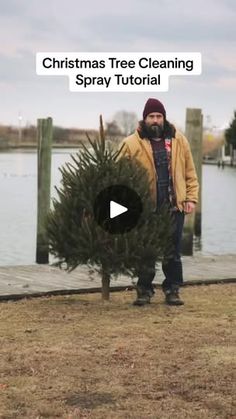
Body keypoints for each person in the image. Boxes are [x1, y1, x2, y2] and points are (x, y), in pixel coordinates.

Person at [119, 98, 199, 306]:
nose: (155, 120)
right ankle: (144, 291)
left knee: (172, 252)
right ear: (144, 119)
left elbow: (190, 173)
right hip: (146, 209)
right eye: (151, 117)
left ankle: (172, 290)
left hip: (174, 207)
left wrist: (191, 198)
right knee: (146, 252)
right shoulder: (130, 143)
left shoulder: (179, 140)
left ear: (164, 118)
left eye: (158, 116)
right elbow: (118, 175)